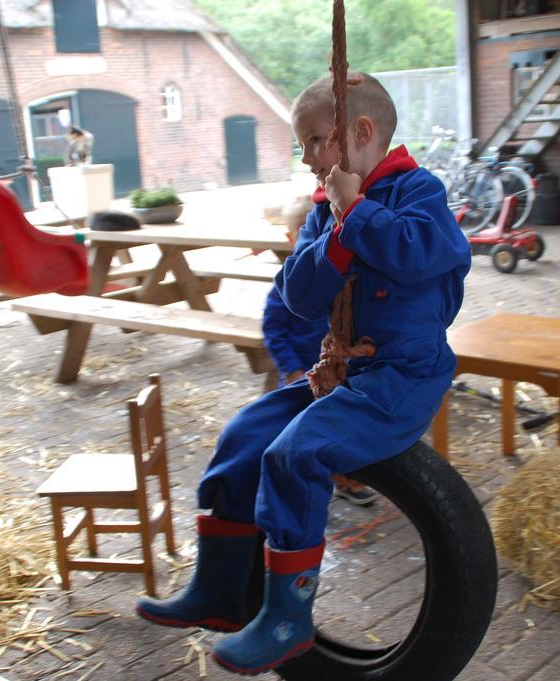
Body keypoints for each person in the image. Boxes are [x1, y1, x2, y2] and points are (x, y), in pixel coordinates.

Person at [136, 72, 470, 675]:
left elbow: (427, 255)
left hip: (402, 376)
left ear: (360, 132)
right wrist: (336, 236)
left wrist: (357, 213)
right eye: (304, 146)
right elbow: (298, 297)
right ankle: (219, 589)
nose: (310, 158)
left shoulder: (419, 191)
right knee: (245, 435)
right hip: (338, 370)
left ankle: (289, 619)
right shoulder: (324, 211)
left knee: (295, 455)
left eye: (317, 141)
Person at [262, 284, 380, 507]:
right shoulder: (288, 286)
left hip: (339, 370)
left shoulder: (347, 285)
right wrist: (292, 368)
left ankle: (345, 479)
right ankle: (301, 484)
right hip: (301, 373)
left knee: (343, 426)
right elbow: (273, 331)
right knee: (298, 430)